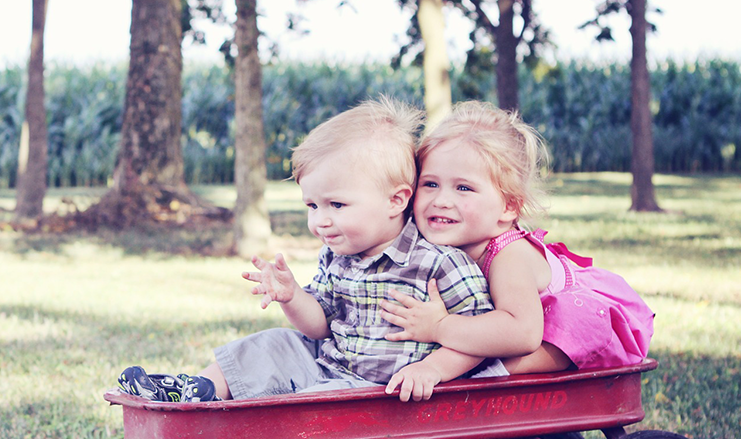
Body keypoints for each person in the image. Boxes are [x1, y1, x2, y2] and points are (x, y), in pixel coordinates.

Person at [117, 96, 504, 404]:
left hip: (377, 391)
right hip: (328, 364)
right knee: (273, 343)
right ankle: (195, 391)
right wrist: (292, 297)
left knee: (307, 405)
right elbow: (319, 325)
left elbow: (479, 339)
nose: (320, 220)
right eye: (312, 206)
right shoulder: (337, 254)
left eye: (336, 205)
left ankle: (227, 415)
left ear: (395, 200)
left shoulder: (438, 262)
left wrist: (433, 369)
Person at [381, 101, 653, 373]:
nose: (441, 200)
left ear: (509, 207)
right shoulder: (443, 241)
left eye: (463, 188)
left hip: (576, 328)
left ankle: (491, 374)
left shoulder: (509, 257)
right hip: (522, 325)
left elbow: (522, 333)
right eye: (430, 184)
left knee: (517, 348)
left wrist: (439, 327)